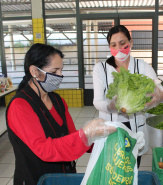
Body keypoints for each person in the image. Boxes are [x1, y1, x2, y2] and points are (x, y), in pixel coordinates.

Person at [6, 43, 116, 185]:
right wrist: (85, 135)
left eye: (61, 70)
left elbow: (70, 136)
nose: (60, 75)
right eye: (55, 70)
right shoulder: (20, 106)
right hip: (37, 179)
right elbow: (44, 149)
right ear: (34, 71)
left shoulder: (57, 100)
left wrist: (101, 138)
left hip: (63, 176)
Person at [93, 25, 163, 167]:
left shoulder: (143, 66)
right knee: (111, 169)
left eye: (123, 43)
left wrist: (160, 95)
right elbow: (97, 101)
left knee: (132, 169)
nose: (119, 49)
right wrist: (109, 106)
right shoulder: (100, 69)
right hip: (110, 128)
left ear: (131, 42)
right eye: (113, 45)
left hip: (135, 129)